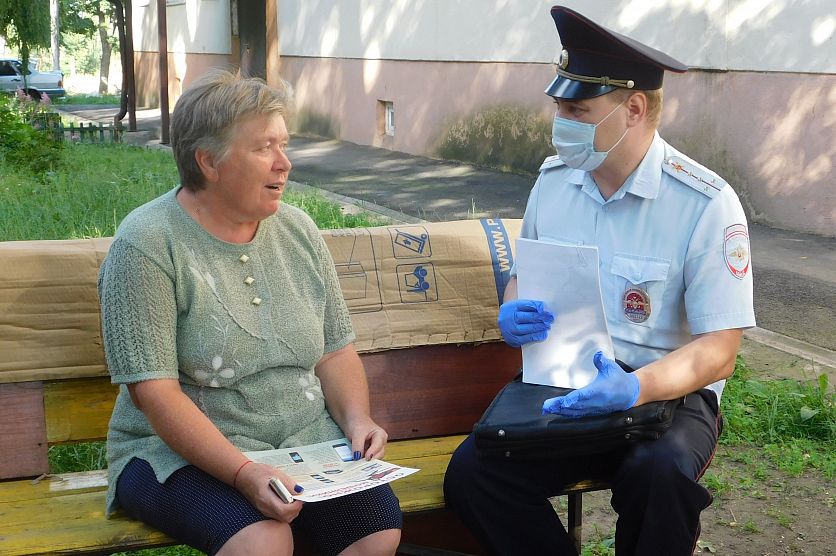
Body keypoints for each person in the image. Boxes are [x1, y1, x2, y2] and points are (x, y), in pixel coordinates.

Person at [444, 6, 755, 555]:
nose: (559, 122)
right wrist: (513, 308)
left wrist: (636, 388)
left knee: (658, 475)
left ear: (633, 109)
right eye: (559, 107)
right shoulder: (554, 184)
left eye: (577, 109)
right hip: (566, 381)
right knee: (474, 475)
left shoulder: (705, 204)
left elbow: (719, 350)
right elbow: (523, 276)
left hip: (669, 393)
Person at [97, 69, 402, 556]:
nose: (285, 163)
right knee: (262, 541)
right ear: (208, 162)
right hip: (174, 452)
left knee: (375, 535)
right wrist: (243, 472)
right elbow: (155, 393)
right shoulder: (147, 244)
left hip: (302, 441)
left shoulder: (299, 230)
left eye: (284, 144)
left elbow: (334, 350)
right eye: (264, 148)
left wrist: (357, 420)